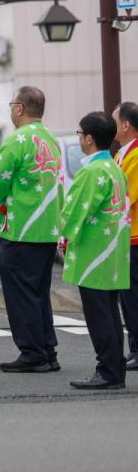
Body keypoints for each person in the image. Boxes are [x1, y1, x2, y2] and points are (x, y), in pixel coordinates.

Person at [0, 86, 64, 373]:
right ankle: (47, 350)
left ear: (19, 108)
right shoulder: (51, 140)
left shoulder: (18, 140)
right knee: (39, 291)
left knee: (21, 293)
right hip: (47, 227)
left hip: (21, 227)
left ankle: (32, 353)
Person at [61, 111, 131, 390]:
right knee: (111, 314)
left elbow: (74, 211)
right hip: (113, 250)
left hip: (93, 252)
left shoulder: (91, 171)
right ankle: (114, 370)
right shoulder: (114, 167)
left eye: (79, 134)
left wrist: (63, 235)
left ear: (89, 138)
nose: (79, 139)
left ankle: (108, 371)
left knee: (99, 314)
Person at [112, 102, 138, 371]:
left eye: (115, 120)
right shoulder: (123, 154)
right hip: (127, 234)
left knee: (133, 297)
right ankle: (135, 349)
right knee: (128, 297)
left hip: (135, 236)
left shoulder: (136, 155)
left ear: (126, 125)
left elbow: (124, 196)